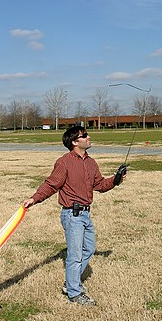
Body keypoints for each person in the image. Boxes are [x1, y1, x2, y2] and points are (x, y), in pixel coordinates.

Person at [22, 125, 126, 306]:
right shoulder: (64, 162)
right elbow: (51, 184)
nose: (88, 137)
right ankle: (74, 293)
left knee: (89, 249)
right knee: (75, 255)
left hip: (86, 214)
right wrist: (34, 199)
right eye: (84, 136)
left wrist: (115, 180)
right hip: (72, 215)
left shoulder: (91, 162)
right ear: (74, 142)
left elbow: (100, 185)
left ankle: (71, 283)